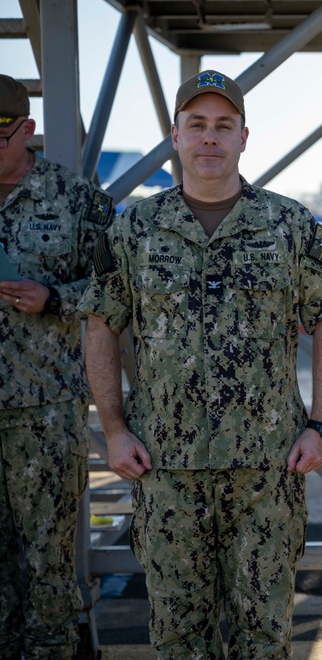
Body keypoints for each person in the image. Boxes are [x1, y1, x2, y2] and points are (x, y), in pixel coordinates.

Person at [80, 71, 322, 659]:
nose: (210, 139)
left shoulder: (289, 226)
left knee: (265, 637)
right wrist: (113, 428)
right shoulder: (134, 230)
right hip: (166, 469)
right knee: (180, 639)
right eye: (197, 126)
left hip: (268, 470)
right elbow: (101, 324)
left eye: (223, 127)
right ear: (174, 136)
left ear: (244, 137)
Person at [0, 73, 113, 659]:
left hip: (43, 409)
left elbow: (118, 289)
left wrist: (56, 299)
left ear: (27, 130)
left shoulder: (77, 203)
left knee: (47, 560)